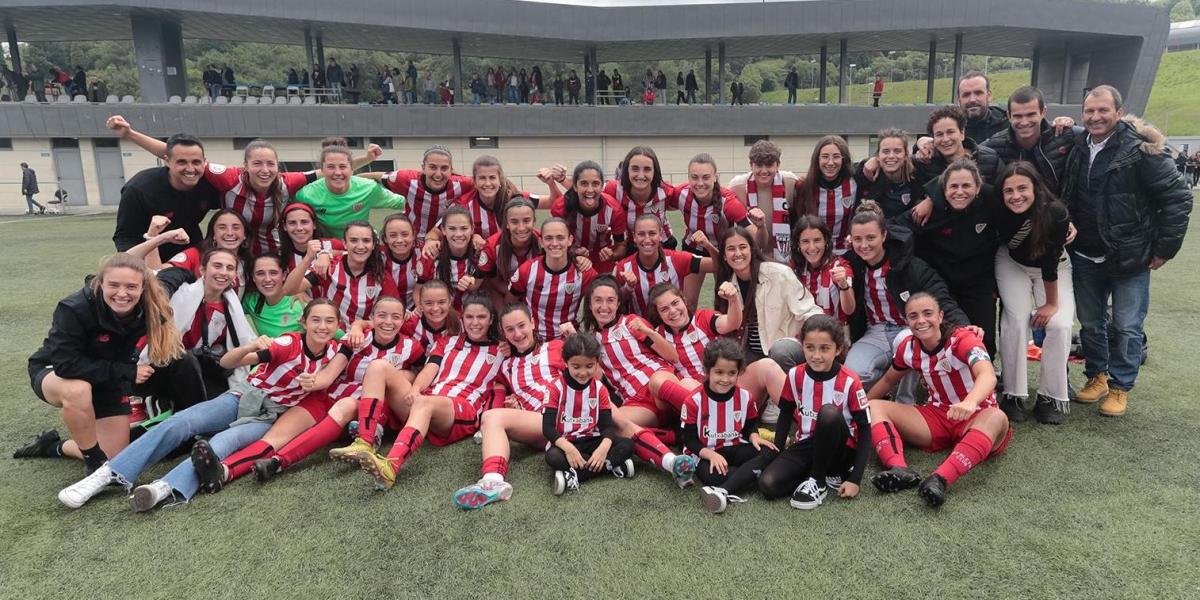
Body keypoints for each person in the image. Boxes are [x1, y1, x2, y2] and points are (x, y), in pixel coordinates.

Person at [1061, 85, 1193, 417]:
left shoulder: (1142, 151)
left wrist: (1165, 248)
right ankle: (1097, 377)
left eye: (1103, 110)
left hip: (1130, 258)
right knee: (1091, 324)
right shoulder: (1078, 144)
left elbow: (1178, 198)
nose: (1095, 117)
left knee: (1127, 326)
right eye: (1089, 111)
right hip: (1085, 255)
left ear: (1119, 113)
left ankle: (1120, 387)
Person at [23, 254, 182, 478]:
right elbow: (66, 364)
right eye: (114, 285)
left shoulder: (151, 307)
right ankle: (93, 462)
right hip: (56, 371)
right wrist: (127, 372)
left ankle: (52, 446)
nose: (122, 293)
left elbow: (172, 279)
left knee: (115, 456)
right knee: (78, 390)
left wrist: (189, 270)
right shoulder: (74, 307)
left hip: (106, 378)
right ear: (100, 283)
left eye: (131, 286)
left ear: (143, 288)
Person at [251, 296, 424, 483]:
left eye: (395, 317)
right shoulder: (357, 339)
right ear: (372, 318)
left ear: (403, 319)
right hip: (341, 398)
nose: (388, 322)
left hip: (377, 407)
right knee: (338, 409)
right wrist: (311, 381)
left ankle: (367, 438)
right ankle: (260, 464)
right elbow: (330, 374)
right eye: (382, 316)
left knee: (362, 387)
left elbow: (421, 372)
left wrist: (408, 378)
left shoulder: (411, 346)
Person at [867, 293, 1011, 508]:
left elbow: (988, 375)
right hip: (937, 416)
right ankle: (898, 469)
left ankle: (940, 479)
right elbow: (888, 379)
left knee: (997, 417)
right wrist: (857, 406)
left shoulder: (963, 339)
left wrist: (969, 402)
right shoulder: (908, 347)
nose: (921, 321)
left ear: (941, 316)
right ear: (907, 322)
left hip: (977, 414)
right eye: (913, 316)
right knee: (872, 407)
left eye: (928, 314)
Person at [354, 294, 504, 490]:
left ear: (491, 319)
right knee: (378, 366)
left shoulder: (503, 350)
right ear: (462, 318)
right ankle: (365, 442)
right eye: (469, 317)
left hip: (461, 409)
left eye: (481, 317)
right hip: (428, 400)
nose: (475, 323)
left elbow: (502, 387)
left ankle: (390, 466)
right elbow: (430, 369)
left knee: (425, 403)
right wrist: (415, 389)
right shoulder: (447, 342)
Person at [842, 203, 971, 400]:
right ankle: (889, 388)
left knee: (907, 341)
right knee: (854, 374)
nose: (864, 245)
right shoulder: (853, 264)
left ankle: (905, 402)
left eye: (871, 238)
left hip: (907, 328)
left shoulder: (909, 266)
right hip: (876, 330)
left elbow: (942, 298)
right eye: (858, 239)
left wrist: (964, 329)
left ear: (884, 236)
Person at [758, 314, 871, 509]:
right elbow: (785, 414)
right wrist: (777, 451)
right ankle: (816, 474)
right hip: (807, 444)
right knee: (768, 484)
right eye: (810, 348)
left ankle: (817, 481)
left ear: (838, 349)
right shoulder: (795, 375)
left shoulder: (850, 381)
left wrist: (856, 479)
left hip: (841, 450)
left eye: (824, 348)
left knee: (828, 413)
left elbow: (866, 430)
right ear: (802, 346)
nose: (816, 356)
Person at [652, 339, 774, 513]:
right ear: (708, 371)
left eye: (732, 373)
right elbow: (689, 440)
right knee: (714, 476)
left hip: (735, 446)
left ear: (739, 372)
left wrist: (754, 436)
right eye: (719, 372)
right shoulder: (694, 401)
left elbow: (749, 427)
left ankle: (726, 488)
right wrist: (710, 454)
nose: (725, 379)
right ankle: (751, 474)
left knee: (771, 451)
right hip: (704, 453)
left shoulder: (746, 397)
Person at [993, 162, 1074, 425]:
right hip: (1012, 263)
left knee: (1060, 325)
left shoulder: (1056, 213)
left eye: (1022, 188)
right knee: (1015, 320)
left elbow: (1050, 262)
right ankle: (1013, 394)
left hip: (1052, 267)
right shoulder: (997, 207)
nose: (1015, 196)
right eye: (1009, 191)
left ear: (1036, 188)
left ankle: (1050, 396)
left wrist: (1050, 304)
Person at [896, 159, 1000, 355]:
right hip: (942, 284)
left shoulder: (990, 200)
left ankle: (984, 381)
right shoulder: (928, 211)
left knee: (983, 338)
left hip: (978, 284)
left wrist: (1061, 221)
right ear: (942, 190)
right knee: (943, 339)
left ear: (978, 188)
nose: (959, 192)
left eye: (966, 186)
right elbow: (892, 227)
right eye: (953, 186)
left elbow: (1024, 208)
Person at [713, 226, 822, 369]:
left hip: (786, 346)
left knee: (779, 352)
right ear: (724, 256)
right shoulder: (727, 284)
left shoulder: (779, 273)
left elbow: (809, 312)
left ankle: (793, 388)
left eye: (742, 247)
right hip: (750, 351)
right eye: (731, 249)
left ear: (752, 250)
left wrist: (816, 341)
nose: (738, 253)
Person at [543, 333, 636, 495]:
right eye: (576, 366)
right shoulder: (555, 388)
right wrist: (570, 450)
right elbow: (548, 428)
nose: (583, 372)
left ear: (596, 363)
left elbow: (607, 426)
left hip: (593, 440)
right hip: (567, 442)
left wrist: (603, 448)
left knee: (628, 445)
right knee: (553, 457)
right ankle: (612, 466)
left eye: (589, 366)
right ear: (566, 363)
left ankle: (576, 476)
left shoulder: (600, 389)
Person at [112, 134, 221, 261]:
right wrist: (141, 269)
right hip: (148, 255)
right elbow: (125, 238)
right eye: (182, 162)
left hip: (190, 252)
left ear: (204, 162)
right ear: (167, 161)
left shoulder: (210, 184)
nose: (190, 169)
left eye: (196, 162)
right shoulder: (139, 190)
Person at [672, 153, 755, 309]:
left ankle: (725, 331)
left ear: (716, 177)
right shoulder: (681, 193)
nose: (700, 183)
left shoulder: (728, 203)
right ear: (688, 178)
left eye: (705, 177)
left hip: (723, 253)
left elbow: (754, 234)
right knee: (687, 303)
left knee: (725, 300)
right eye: (694, 177)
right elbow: (660, 200)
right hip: (693, 249)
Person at [283, 220, 392, 325]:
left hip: (363, 336)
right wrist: (308, 258)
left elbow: (390, 315)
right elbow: (289, 290)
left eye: (366, 241)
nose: (360, 246)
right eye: (353, 240)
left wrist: (360, 326)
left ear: (373, 245)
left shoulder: (380, 274)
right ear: (344, 243)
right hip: (331, 334)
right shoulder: (330, 266)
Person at [510, 218, 597, 341]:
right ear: (541, 242)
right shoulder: (527, 270)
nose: (555, 243)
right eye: (549, 238)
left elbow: (603, 299)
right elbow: (510, 302)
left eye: (560, 238)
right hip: (533, 340)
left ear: (570, 240)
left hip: (568, 341)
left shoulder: (583, 271)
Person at [981, 86, 1079, 195]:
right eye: (1018, 116)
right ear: (1009, 116)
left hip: (1058, 209)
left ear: (1043, 112)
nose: (1024, 122)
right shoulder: (994, 146)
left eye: (1031, 115)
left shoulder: (1064, 136)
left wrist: (1071, 124)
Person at [295, 146, 407, 239]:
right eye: (331, 167)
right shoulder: (306, 195)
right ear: (322, 170)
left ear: (351, 169)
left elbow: (401, 202)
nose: (338, 172)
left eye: (343, 167)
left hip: (360, 244)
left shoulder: (368, 188)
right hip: (327, 248)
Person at [614, 214, 713, 315]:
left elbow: (718, 265)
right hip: (640, 327)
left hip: (672, 325)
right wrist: (628, 288)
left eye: (652, 233)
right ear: (634, 237)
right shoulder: (623, 267)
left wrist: (708, 245)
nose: (647, 239)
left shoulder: (676, 259)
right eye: (641, 234)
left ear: (660, 235)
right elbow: (614, 302)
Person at [543, 160, 628, 274]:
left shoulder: (614, 210)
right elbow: (551, 243)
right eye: (584, 183)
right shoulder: (560, 207)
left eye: (595, 184)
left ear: (602, 186)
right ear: (575, 186)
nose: (590, 190)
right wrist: (572, 251)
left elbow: (621, 247)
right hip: (568, 260)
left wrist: (612, 255)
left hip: (602, 263)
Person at [381, 146, 475, 246]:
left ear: (451, 170)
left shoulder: (463, 184)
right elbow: (375, 177)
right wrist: (367, 158)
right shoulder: (406, 179)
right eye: (432, 167)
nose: (438, 174)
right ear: (423, 168)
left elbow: (485, 183)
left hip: (442, 241)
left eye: (444, 168)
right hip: (410, 241)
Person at [728, 140, 800, 262]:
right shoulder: (737, 187)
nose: (764, 171)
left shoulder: (790, 182)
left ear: (778, 165)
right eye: (759, 165)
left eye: (769, 165)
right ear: (751, 165)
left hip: (786, 257)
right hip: (752, 258)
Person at [795, 135, 859, 256]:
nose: (830, 162)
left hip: (847, 253)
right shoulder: (803, 186)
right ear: (817, 159)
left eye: (836, 157)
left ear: (843, 159)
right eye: (825, 157)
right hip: (814, 254)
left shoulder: (855, 183)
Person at [605, 146, 679, 249]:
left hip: (662, 245)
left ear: (655, 171)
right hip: (628, 247)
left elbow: (689, 196)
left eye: (647, 169)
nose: (641, 175)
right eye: (635, 169)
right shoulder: (613, 190)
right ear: (627, 170)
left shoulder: (666, 191)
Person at [415, 207, 481, 311]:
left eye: (464, 228)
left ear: (472, 229)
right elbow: (419, 290)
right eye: (452, 229)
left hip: (470, 317)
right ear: (443, 230)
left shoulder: (480, 254)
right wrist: (423, 311)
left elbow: (489, 287)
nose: (458, 234)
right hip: (437, 314)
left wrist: (474, 283)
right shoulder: (431, 254)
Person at [792, 216, 855, 324]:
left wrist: (844, 285)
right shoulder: (791, 269)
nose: (812, 247)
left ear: (825, 241)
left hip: (834, 334)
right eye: (805, 241)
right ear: (798, 244)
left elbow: (849, 310)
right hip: (801, 333)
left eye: (817, 240)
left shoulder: (840, 266)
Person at [855, 128, 919, 218]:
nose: (891, 156)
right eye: (885, 151)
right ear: (878, 155)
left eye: (897, 151)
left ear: (905, 155)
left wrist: (921, 141)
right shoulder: (864, 174)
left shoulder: (917, 176)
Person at [241, 254, 306, 338]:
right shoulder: (250, 301)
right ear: (253, 277)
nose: (267, 279)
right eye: (260, 274)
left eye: (273, 273)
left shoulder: (301, 305)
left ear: (284, 275)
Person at [957, 70, 1009, 144]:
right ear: (959, 100)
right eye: (966, 95)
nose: (972, 100)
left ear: (989, 96)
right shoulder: (950, 129)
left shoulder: (1007, 126)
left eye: (978, 93)